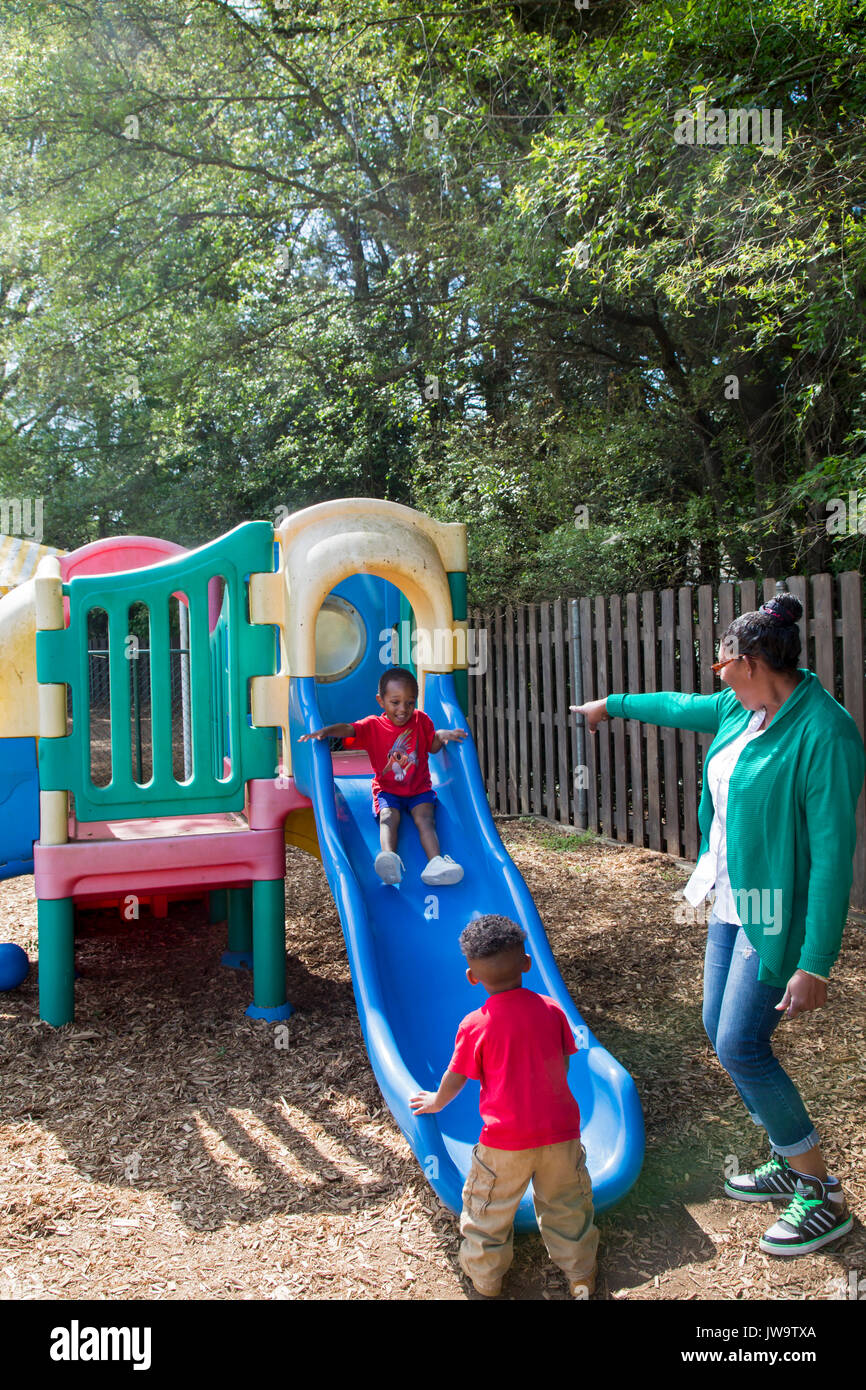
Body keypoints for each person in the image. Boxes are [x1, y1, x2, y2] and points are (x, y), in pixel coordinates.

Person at [572, 592, 865, 1257]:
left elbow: (830, 858)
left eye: (722, 662)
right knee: (718, 1027)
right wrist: (609, 706)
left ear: (754, 660)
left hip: (777, 914)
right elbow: (679, 707)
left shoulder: (825, 733)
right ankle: (790, 1158)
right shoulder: (745, 706)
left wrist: (815, 961)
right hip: (735, 897)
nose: (716, 676)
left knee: (739, 1044)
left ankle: (821, 1193)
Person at [410, 915, 598, 1298]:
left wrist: (436, 1101)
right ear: (527, 962)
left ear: (471, 977)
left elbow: (456, 1076)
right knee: (567, 1205)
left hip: (503, 1143)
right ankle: (580, 1275)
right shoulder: (551, 1010)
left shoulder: (475, 1025)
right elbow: (561, 1066)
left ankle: (486, 1280)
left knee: (488, 1211)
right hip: (560, 1134)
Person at [299, 666, 466, 886]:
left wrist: (442, 735)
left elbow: (432, 747)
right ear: (381, 701)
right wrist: (326, 731)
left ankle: (435, 863)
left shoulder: (421, 720)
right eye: (395, 702)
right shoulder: (373, 726)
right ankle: (389, 859)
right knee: (388, 817)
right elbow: (350, 729)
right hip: (388, 790)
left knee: (425, 819)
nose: (403, 709)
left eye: (410, 702)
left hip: (419, 789)